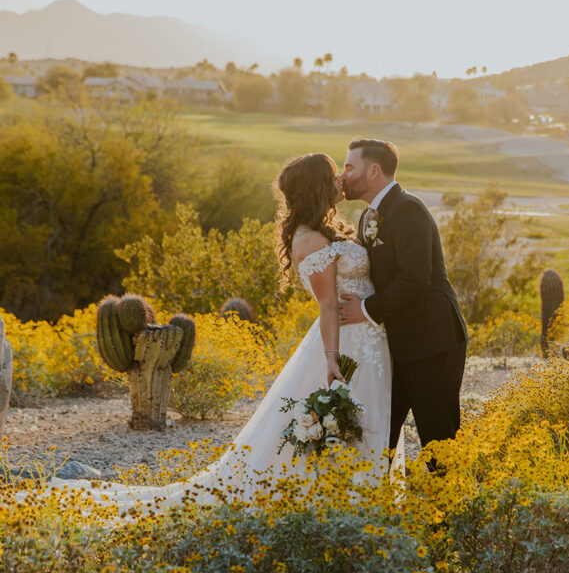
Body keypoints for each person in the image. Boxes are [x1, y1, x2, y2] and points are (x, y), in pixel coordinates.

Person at [25, 153, 398, 516]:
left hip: (367, 338)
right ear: (317, 187)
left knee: (366, 418)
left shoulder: (324, 231)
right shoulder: (310, 240)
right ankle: (340, 502)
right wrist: (331, 358)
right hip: (343, 343)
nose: (340, 181)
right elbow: (328, 305)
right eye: (333, 174)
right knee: (341, 420)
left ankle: (362, 499)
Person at [339, 138, 468, 456]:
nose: (344, 175)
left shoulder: (408, 209)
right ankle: (373, 503)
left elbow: (415, 279)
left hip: (432, 342)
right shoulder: (369, 216)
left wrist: (365, 310)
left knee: (439, 439)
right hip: (395, 345)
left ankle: (455, 505)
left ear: (373, 171)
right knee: (381, 433)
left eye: (349, 166)